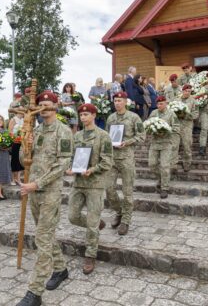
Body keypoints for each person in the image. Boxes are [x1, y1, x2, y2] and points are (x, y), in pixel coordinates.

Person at [16, 91, 73, 306]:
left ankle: (35, 292)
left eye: (48, 105)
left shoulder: (63, 131)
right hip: (33, 192)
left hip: (49, 192)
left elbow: (62, 164)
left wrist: (37, 184)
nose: (45, 108)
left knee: (41, 238)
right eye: (42, 105)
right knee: (46, 234)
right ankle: (60, 268)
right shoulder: (36, 130)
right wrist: (25, 144)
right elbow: (24, 161)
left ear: (55, 106)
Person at [67, 103, 113, 274]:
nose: (83, 117)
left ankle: (90, 254)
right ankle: (97, 225)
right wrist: (70, 168)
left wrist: (92, 170)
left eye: (86, 114)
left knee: (92, 223)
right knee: (72, 216)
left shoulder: (104, 136)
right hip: (78, 182)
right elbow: (72, 156)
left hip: (95, 184)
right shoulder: (77, 135)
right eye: (81, 115)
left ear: (94, 115)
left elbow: (107, 161)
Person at [105, 92, 146, 235]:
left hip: (127, 158)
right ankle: (119, 212)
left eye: (119, 100)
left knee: (127, 192)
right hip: (112, 159)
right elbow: (106, 136)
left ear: (125, 102)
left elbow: (142, 136)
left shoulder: (134, 117)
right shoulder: (110, 118)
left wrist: (127, 142)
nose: (117, 103)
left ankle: (126, 221)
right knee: (109, 189)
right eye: (115, 100)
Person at [148, 96, 180, 199]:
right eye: (157, 104)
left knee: (165, 166)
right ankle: (162, 179)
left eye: (161, 104)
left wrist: (166, 129)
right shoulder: (153, 113)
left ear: (165, 103)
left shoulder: (171, 114)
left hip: (166, 143)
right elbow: (148, 125)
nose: (159, 106)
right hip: (154, 143)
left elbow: (176, 127)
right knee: (152, 164)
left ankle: (164, 188)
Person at [178, 85, 199, 172]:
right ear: (183, 91)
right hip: (177, 125)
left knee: (187, 145)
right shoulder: (177, 100)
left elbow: (196, 113)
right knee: (174, 146)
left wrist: (187, 115)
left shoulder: (193, 101)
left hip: (187, 125)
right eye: (186, 91)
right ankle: (173, 164)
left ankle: (186, 164)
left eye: (189, 91)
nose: (187, 93)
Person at [8, 107, 24, 184]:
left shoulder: (24, 119)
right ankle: (13, 179)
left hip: (22, 142)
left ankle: (18, 178)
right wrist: (15, 138)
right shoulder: (13, 119)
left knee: (21, 160)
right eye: (20, 110)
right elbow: (10, 131)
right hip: (15, 142)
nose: (22, 112)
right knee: (14, 160)